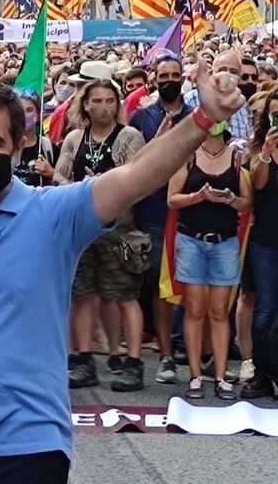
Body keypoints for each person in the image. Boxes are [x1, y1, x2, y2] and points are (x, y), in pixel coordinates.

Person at [0, 64, 244, 483]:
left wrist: (204, 118)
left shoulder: (53, 214)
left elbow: (135, 176)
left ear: (18, 148)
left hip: (28, 445)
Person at [54, 80, 148, 392]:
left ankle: (132, 362)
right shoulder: (74, 138)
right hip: (81, 226)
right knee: (81, 296)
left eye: (109, 100)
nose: (103, 106)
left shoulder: (129, 136)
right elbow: (60, 176)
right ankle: (82, 360)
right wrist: (78, 187)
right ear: (86, 104)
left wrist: (103, 185)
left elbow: (137, 177)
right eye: (96, 100)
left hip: (118, 227)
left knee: (123, 297)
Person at [167, 120, 253, 400]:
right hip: (191, 240)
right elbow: (172, 199)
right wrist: (198, 196)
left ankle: (220, 375)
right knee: (194, 310)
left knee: (219, 312)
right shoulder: (187, 155)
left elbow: (247, 203)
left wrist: (229, 199)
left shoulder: (237, 157)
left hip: (224, 242)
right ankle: (195, 376)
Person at [127, 53, 191, 384]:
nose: (169, 80)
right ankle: (166, 354)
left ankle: (191, 351)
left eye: (175, 74)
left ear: (183, 78)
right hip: (153, 211)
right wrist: (158, 141)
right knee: (160, 285)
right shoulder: (141, 118)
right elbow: (134, 164)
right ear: (154, 79)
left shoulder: (197, 117)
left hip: (195, 212)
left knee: (194, 286)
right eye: (163, 75)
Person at [242, 89, 278, 399]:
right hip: (265, 241)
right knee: (265, 309)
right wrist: (267, 152)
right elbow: (259, 184)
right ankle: (261, 373)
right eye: (273, 114)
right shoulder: (257, 149)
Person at [185, 51, 254, 140]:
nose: (226, 74)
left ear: (239, 78)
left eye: (233, 71)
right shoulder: (192, 99)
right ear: (212, 73)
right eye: (222, 70)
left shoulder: (244, 108)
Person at [14, 94, 55, 186]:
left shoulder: (48, 147)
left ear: (38, 115)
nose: (24, 115)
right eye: (19, 110)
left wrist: (51, 172)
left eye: (29, 110)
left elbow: (65, 182)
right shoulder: (4, 144)